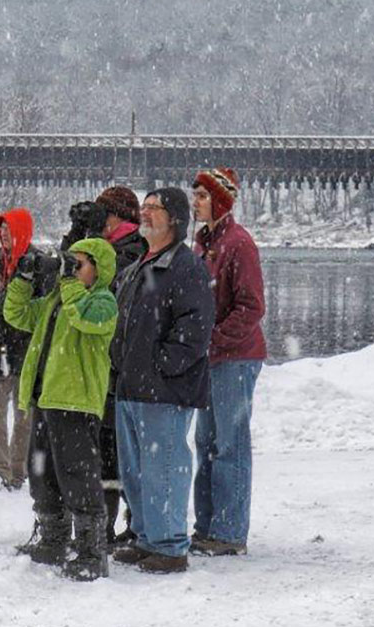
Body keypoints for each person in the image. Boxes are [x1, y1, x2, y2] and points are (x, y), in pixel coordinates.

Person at [110, 187, 215, 574]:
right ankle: (146, 537)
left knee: (165, 469)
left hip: (164, 389)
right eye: (144, 207)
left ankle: (169, 544)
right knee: (136, 471)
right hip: (130, 385)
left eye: (155, 209)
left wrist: (161, 366)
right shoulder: (140, 263)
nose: (146, 214)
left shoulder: (186, 266)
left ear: (174, 219)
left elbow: (196, 328)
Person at [6, 238, 118, 581]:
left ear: (98, 270)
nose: (72, 270)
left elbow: (85, 318)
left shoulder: (103, 302)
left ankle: (91, 550)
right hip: (46, 398)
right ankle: (53, 537)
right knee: (42, 472)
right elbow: (17, 314)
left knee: (78, 475)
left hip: (76, 402)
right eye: (72, 263)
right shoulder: (57, 300)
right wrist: (23, 279)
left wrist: (68, 282)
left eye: (80, 263)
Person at [190, 168, 267, 556]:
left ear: (220, 201)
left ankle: (230, 531)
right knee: (205, 442)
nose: (195, 201)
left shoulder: (239, 244)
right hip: (211, 358)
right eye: (195, 194)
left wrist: (215, 340)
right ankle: (205, 525)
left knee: (230, 444)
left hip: (236, 359)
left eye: (202, 195)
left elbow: (252, 307)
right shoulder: (202, 243)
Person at [93, 185, 147, 545]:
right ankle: (111, 525)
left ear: (118, 216)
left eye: (103, 215)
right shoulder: (112, 249)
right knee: (110, 449)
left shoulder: (131, 252)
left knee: (119, 450)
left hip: (122, 368)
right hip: (108, 367)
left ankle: (130, 524)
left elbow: (107, 294)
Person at [0, 208, 54, 490]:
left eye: (8, 228)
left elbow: (42, 305)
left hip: (26, 348)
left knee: (24, 414)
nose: (3, 234)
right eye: (0, 228)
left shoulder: (37, 262)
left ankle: (18, 469)